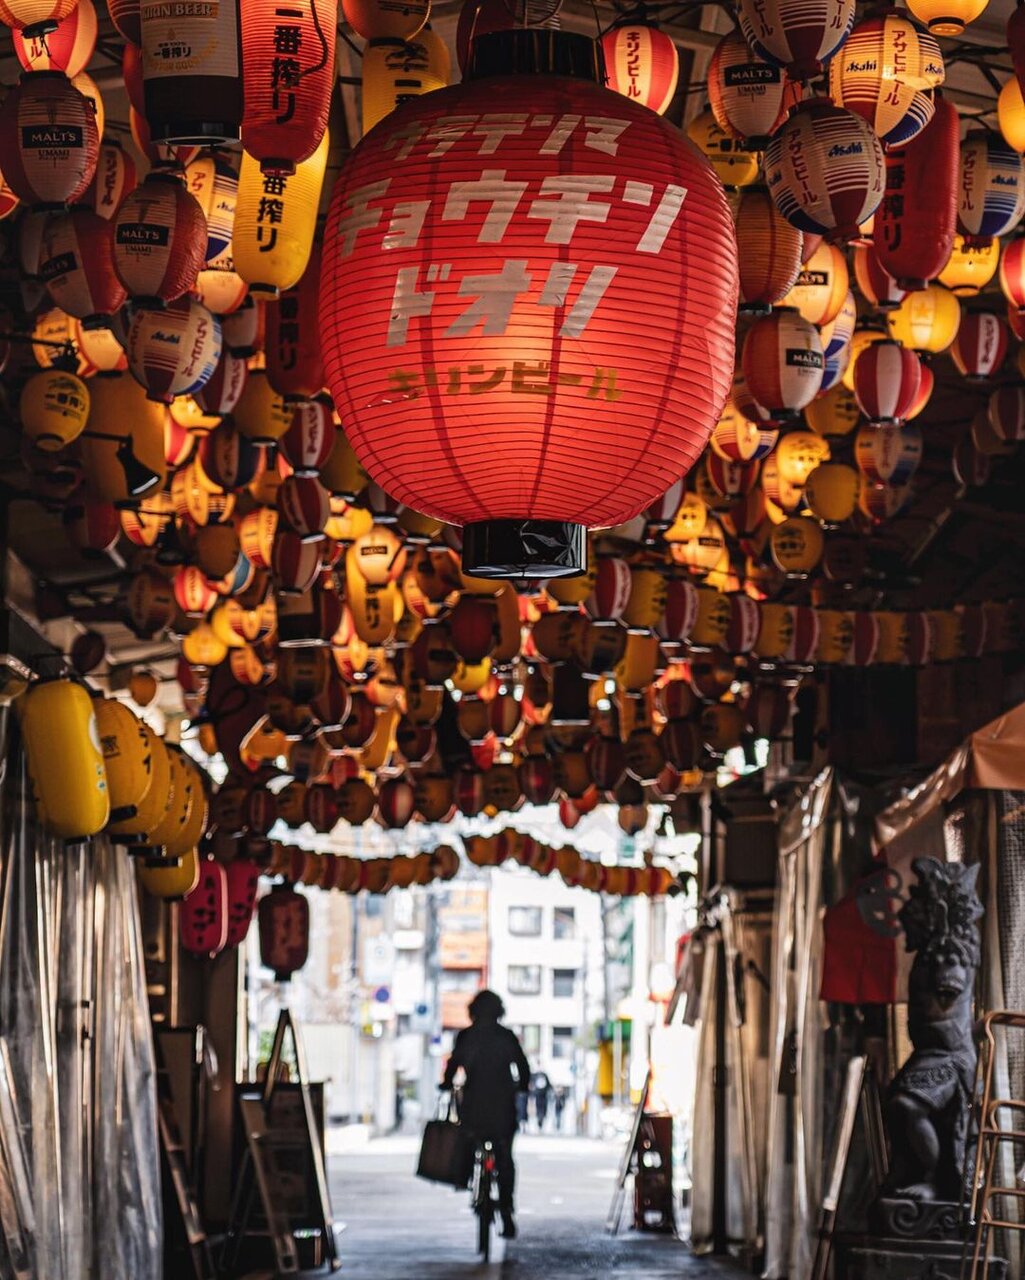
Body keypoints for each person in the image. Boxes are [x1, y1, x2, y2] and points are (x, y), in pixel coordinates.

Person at [441, 990, 530, 1240]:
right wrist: (522, 1087)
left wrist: (447, 1084)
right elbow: (523, 1067)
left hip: (474, 1106)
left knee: (468, 1143)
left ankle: (469, 1179)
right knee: (504, 1157)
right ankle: (507, 1212)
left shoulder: (466, 1036)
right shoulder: (506, 1037)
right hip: (503, 1106)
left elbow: (453, 1065)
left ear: (474, 1011)